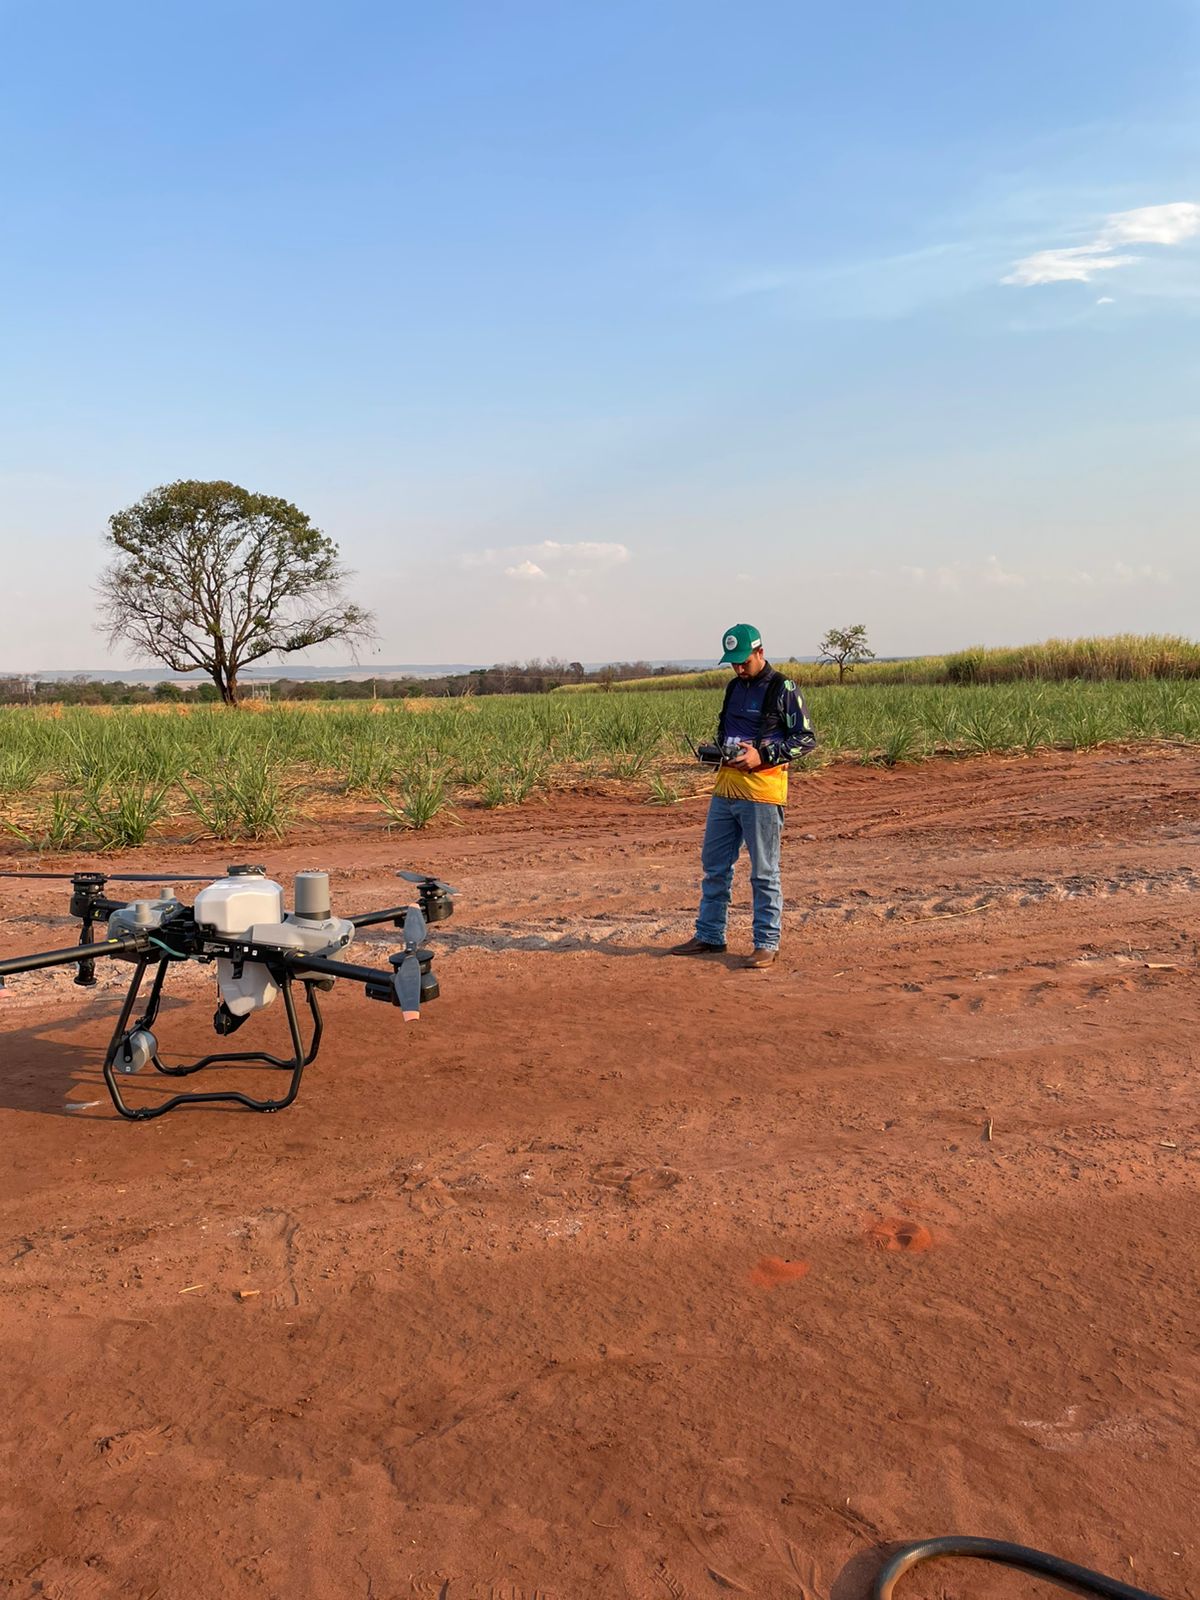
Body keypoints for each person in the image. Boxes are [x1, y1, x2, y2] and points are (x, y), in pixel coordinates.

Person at [671, 624, 816, 969]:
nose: (739, 668)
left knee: (764, 872)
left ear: (760, 653)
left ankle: (766, 943)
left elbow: (806, 739)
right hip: (726, 788)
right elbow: (727, 730)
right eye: (733, 663)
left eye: (744, 661)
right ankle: (709, 935)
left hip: (763, 793)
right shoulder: (734, 687)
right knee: (715, 865)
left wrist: (762, 756)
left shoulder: (784, 688)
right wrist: (717, 752)